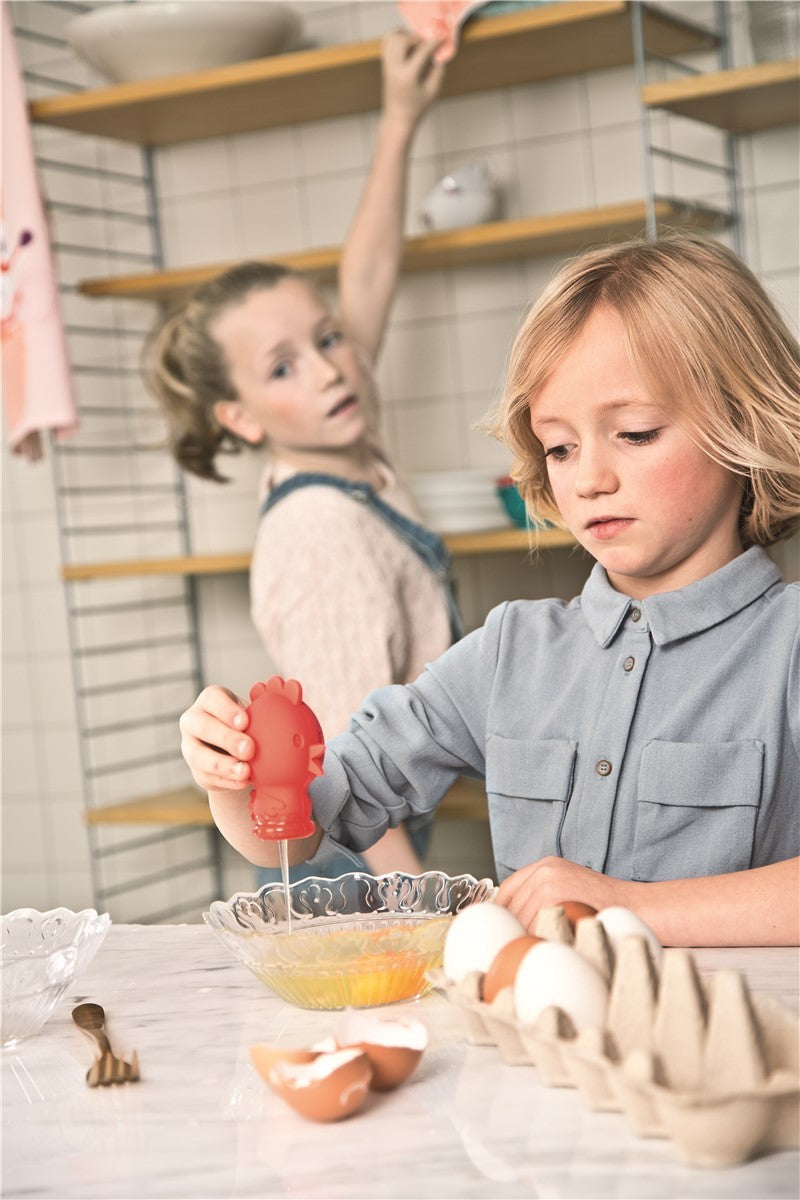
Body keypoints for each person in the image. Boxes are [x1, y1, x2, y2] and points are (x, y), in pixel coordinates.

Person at [178, 232, 800, 946]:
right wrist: (234, 779)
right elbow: (307, 827)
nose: (588, 479)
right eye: (560, 447)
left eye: (635, 433)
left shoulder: (788, 646)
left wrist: (626, 907)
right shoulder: (510, 651)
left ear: (744, 420)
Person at [146, 31, 458, 883]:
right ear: (240, 417)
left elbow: (368, 280)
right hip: (349, 858)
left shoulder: (342, 442)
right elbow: (348, 764)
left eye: (328, 339)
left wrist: (400, 118)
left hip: (369, 834)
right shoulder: (320, 530)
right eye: (283, 367)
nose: (329, 369)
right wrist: (421, 902)